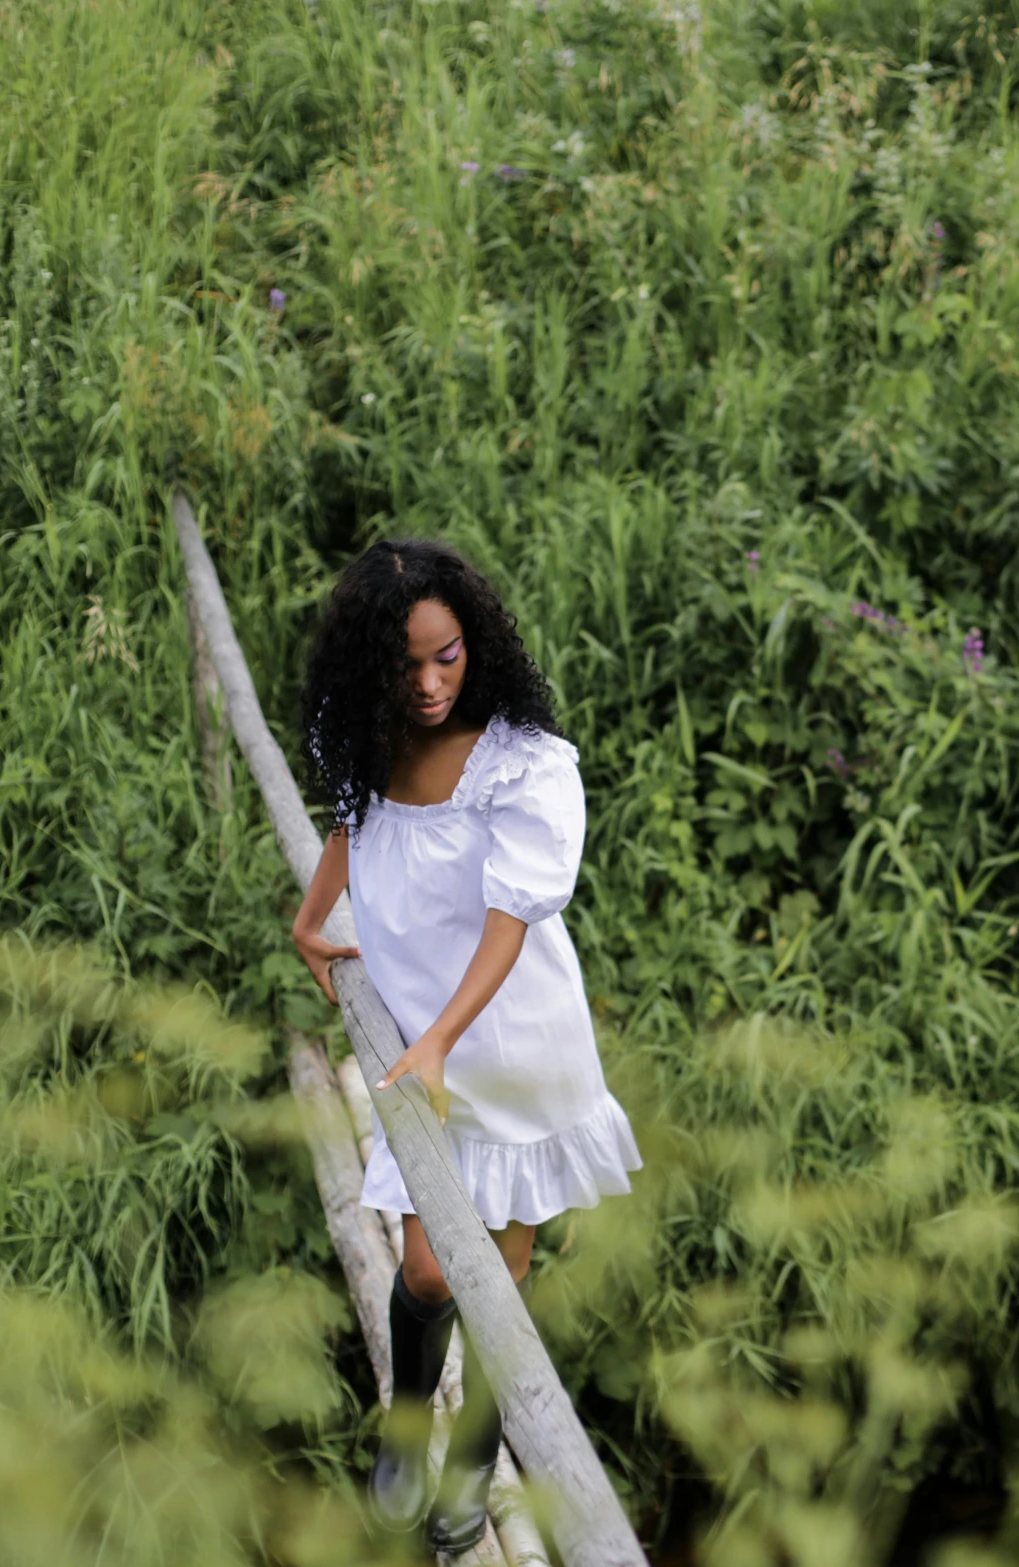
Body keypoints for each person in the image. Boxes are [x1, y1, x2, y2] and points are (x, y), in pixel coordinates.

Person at [290, 539, 642, 1551]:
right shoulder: (367, 739)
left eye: (448, 656)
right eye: (408, 664)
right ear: (372, 666)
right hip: (425, 1052)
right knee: (433, 1270)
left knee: (499, 1276)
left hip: (507, 1039)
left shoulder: (514, 760)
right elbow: (354, 826)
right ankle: (408, 1428)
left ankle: (473, 1465)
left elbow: (511, 918)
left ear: (473, 645)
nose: (432, 681)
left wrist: (442, 1035)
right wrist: (314, 921)